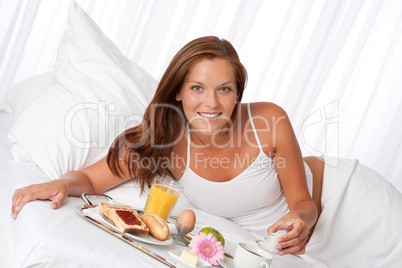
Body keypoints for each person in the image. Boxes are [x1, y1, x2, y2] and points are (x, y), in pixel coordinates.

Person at [11, 36, 325, 256]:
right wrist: (61, 183)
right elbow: (93, 179)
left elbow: (304, 203)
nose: (211, 103)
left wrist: (301, 220)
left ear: (237, 92)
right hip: (261, 247)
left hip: (331, 214)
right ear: (178, 91)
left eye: (225, 89)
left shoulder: (270, 120)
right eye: (197, 88)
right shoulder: (164, 140)